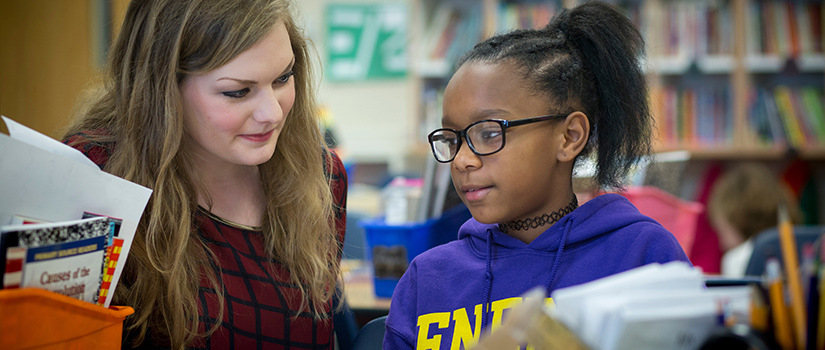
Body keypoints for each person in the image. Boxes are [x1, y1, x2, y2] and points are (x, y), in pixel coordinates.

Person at [384, 2, 690, 348]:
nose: (462, 160)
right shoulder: (427, 280)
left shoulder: (643, 258)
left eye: (488, 132)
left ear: (570, 136)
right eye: (453, 138)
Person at [62, 0, 347, 348]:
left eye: (283, 78)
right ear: (162, 90)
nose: (272, 113)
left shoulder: (320, 176)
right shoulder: (96, 173)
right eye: (237, 92)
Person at [708, 163, 800, 277]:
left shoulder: (736, 259)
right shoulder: (800, 248)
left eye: (722, 232)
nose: (722, 244)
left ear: (737, 221)